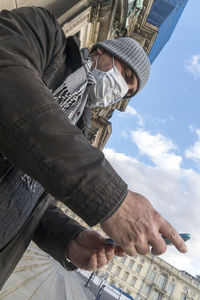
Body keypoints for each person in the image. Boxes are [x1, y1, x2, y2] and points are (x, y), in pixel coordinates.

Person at [0, 6, 187, 289]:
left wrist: (68, 239)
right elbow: (9, 80)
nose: (121, 88)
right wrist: (114, 200)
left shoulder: (78, 130)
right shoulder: (45, 33)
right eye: (124, 73)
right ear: (101, 51)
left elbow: (27, 196)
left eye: (129, 90)